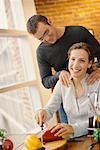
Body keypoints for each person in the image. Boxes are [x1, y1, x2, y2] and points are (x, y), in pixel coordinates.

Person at [27, 15, 100, 122]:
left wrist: (99, 70)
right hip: (67, 96)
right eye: (41, 39)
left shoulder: (79, 32)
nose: (46, 39)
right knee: (68, 132)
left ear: (50, 22)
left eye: (46, 32)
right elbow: (46, 81)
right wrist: (59, 74)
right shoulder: (42, 52)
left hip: (91, 86)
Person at [35, 42, 100, 138]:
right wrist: (43, 112)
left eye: (81, 60)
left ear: (89, 64)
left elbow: (99, 120)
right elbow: (50, 109)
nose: (75, 65)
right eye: (72, 59)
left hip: (96, 138)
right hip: (74, 140)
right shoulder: (62, 84)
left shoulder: (97, 84)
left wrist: (74, 128)